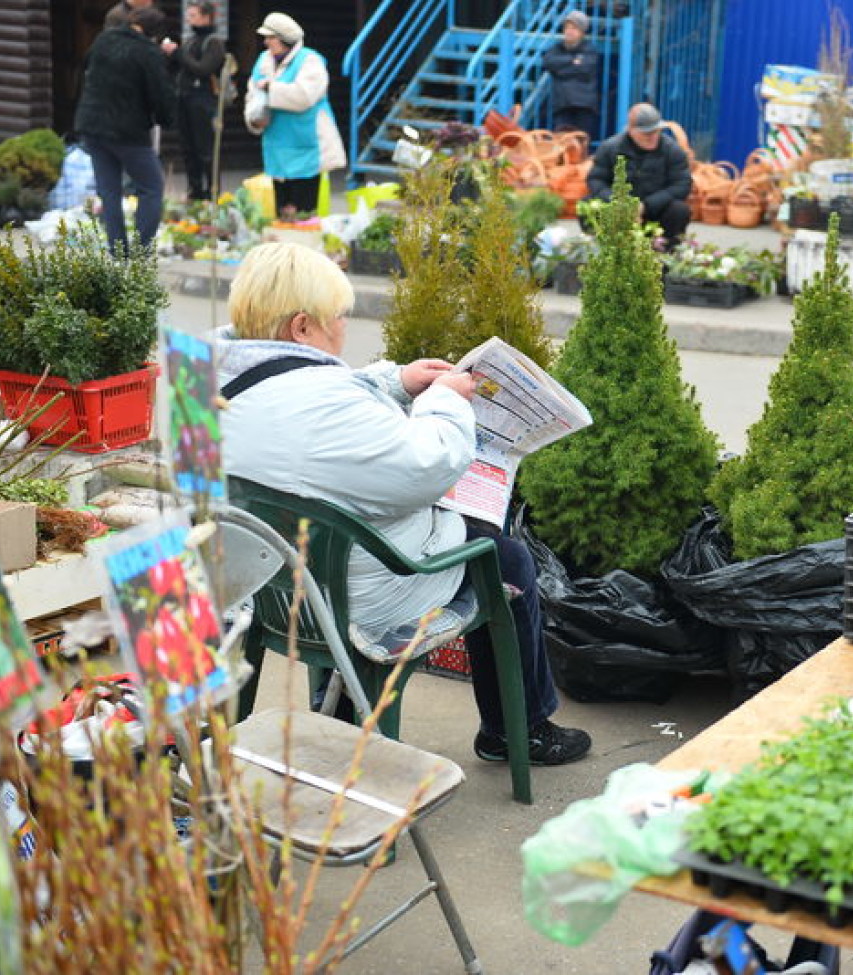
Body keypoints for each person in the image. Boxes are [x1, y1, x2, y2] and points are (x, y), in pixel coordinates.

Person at [216, 243, 592, 767]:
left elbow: (298, 395)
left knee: (464, 533)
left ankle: (347, 712)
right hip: (355, 599)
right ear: (302, 327)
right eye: (338, 319)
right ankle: (518, 730)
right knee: (508, 558)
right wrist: (446, 401)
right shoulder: (326, 403)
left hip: (265, 589)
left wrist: (395, 380)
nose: (344, 329)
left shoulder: (204, 374)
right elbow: (428, 468)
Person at [76, 5, 174, 256]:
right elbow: (159, 94)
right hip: (127, 131)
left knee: (109, 191)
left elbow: (84, 72)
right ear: (152, 32)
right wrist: (166, 119)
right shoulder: (147, 51)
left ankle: (118, 251)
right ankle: (141, 252)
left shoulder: (102, 39)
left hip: (92, 126)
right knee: (151, 187)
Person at [244, 12, 346, 218]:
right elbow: (252, 94)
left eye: (271, 37)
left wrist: (272, 88)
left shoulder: (310, 61)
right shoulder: (264, 61)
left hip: (306, 146)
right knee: (282, 210)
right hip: (276, 145)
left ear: (285, 39)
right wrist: (253, 118)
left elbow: (303, 96)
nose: (266, 42)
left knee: (304, 212)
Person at [585, 103, 692, 246]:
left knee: (679, 210)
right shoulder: (610, 148)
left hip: (655, 210)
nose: (653, 137)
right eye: (647, 133)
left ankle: (665, 252)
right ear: (631, 130)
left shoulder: (672, 150)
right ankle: (605, 250)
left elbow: (682, 185)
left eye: (656, 131)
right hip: (618, 210)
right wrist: (620, 203)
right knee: (588, 205)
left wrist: (647, 205)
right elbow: (596, 180)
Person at [172, 1, 226, 202]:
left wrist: (179, 54)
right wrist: (171, 54)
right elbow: (182, 67)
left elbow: (203, 69)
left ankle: (213, 193)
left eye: (193, 15)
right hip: (184, 98)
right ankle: (194, 190)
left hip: (203, 100)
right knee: (188, 148)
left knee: (205, 149)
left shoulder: (214, 42)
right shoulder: (191, 40)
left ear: (206, 17)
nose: (189, 19)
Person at [542, 9, 601, 141]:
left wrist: (561, 69)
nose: (569, 31)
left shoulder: (590, 50)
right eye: (567, 27)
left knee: (580, 145)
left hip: (584, 107)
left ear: (582, 32)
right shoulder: (556, 49)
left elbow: (585, 68)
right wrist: (572, 63)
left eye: (574, 28)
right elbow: (548, 63)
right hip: (562, 106)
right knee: (561, 145)